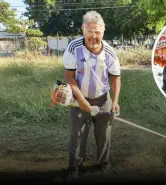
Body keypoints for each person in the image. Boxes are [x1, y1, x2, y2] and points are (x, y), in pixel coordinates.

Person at [62, 11, 121, 180]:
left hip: (103, 99)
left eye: (98, 32)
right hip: (78, 99)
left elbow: (116, 78)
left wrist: (115, 101)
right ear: (83, 30)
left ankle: (104, 163)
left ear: (103, 31)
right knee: (77, 134)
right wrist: (81, 100)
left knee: (104, 134)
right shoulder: (74, 48)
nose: (94, 36)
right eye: (90, 32)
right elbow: (69, 77)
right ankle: (74, 168)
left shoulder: (109, 52)